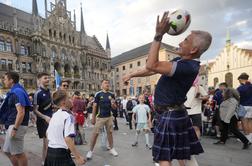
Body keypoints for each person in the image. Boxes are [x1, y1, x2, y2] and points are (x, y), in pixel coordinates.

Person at [123, 11, 212, 166]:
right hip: (173, 113)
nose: (180, 43)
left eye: (185, 40)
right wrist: (132, 75)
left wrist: (158, 35)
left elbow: (152, 64)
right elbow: (152, 69)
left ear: (193, 50)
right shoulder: (182, 61)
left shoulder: (188, 67)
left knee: (164, 157)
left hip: (170, 114)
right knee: (183, 153)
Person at [45, 90, 86, 166]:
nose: (71, 100)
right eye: (69, 98)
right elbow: (68, 138)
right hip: (61, 154)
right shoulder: (68, 116)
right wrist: (78, 157)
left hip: (50, 152)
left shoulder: (55, 115)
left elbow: (47, 134)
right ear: (63, 102)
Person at [0, 72, 31, 166]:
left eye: (5, 79)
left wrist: (15, 128)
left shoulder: (17, 91)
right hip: (13, 124)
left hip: (17, 125)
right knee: (7, 151)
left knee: (18, 153)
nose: (3, 81)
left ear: (11, 80)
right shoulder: (16, 91)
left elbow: (21, 112)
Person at [86, 79, 118, 160]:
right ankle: (90, 151)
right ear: (102, 85)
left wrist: (113, 104)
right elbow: (95, 106)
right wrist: (93, 118)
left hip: (109, 117)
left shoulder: (112, 94)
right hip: (100, 117)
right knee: (95, 134)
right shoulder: (98, 94)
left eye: (108, 83)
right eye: (105, 83)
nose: (107, 84)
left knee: (110, 133)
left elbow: (114, 107)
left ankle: (112, 148)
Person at [33, 72, 53, 165]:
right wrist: (45, 117)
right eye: (45, 78)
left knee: (49, 142)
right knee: (47, 143)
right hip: (42, 121)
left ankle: (44, 161)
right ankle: (45, 162)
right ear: (39, 80)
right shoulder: (38, 93)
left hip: (51, 120)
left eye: (48, 78)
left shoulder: (49, 91)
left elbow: (51, 106)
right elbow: (35, 110)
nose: (48, 79)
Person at [237, 73, 252, 142]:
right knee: (250, 122)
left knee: (244, 122)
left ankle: (246, 138)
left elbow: (237, 97)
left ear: (240, 79)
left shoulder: (240, 88)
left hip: (243, 106)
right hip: (251, 106)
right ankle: (250, 137)